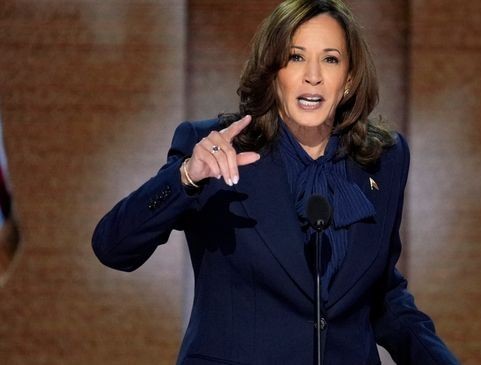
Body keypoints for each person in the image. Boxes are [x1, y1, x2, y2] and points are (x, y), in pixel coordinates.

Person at [92, 0, 459, 364]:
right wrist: (187, 176)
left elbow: (380, 295)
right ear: (272, 72)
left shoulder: (384, 159)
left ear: (348, 80)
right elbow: (114, 247)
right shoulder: (216, 149)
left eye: (330, 59)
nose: (312, 75)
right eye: (295, 57)